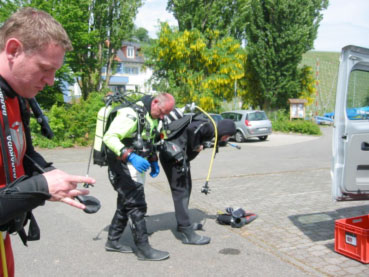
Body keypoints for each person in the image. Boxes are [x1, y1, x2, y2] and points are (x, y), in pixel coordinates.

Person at [0, 7, 95, 276]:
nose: (51, 81)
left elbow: (24, 153)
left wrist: (50, 174)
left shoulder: (17, 94)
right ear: (14, 50)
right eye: (44, 69)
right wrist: (41, 187)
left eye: (56, 71)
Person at [103, 93, 175, 261]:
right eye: (162, 112)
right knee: (136, 206)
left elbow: (147, 140)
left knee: (125, 203)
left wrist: (154, 160)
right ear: (155, 102)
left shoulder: (152, 117)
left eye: (166, 114)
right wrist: (129, 156)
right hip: (122, 167)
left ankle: (112, 241)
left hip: (135, 168)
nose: (163, 116)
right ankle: (143, 249)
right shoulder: (130, 114)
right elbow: (109, 137)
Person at [159, 109, 236, 245]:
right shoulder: (209, 127)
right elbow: (191, 128)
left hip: (178, 158)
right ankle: (186, 231)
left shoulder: (211, 129)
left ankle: (183, 223)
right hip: (173, 157)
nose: (227, 139)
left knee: (187, 188)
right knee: (181, 192)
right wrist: (196, 146)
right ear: (224, 132)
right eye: (228, 136)